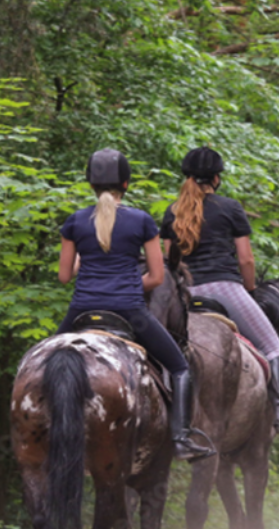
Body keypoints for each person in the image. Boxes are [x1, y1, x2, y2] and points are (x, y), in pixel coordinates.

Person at [56, 148, 216, 462]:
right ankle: (182, 438)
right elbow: (157, 277)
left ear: (90, 184)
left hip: (81, 310)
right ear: (126, 185)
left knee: (40, 362)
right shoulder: (141, 221)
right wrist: (125, 286)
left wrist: (84, 263)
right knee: (181, 368)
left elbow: (64, 276)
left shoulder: (74, 222)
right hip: (130, 311)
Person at [159, 146, 279, 436]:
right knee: (273, 347)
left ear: (188, 176)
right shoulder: (230, 207)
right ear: (216, 178)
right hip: (225, 288)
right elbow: (246, 259)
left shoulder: (172, 212)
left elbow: (171, 264)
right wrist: (250, 290)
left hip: (186, 295)